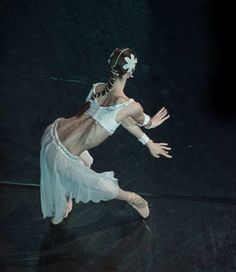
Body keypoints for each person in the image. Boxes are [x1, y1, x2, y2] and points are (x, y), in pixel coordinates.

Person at [40, 47, 172, 225]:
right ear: (130, 73)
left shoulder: (98, 88)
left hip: (52, 132)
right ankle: (135, 199)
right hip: (61, 155)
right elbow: (144, 122)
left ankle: (66, 195)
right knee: (107, 188)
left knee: (86, 162)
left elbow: (120, 118)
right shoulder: (132, 106)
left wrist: (148, 142)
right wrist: (151, 124)